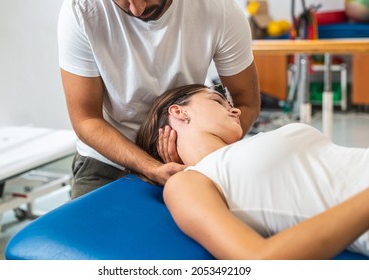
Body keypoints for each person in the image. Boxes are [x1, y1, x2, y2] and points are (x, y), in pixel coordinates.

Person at [135, 84, 369, 259]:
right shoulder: (189, 182)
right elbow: (256, 261)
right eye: (218, 101)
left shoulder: (250, 145)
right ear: (178, 112)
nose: (236, 111)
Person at [57, 0, 260, 198]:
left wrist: (197, 154)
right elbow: (86, 120)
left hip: (191, 161)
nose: (137, 9)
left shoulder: (219, 9)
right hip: (108, 159)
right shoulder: (82, 10)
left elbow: (247, 103)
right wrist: (152, 167)